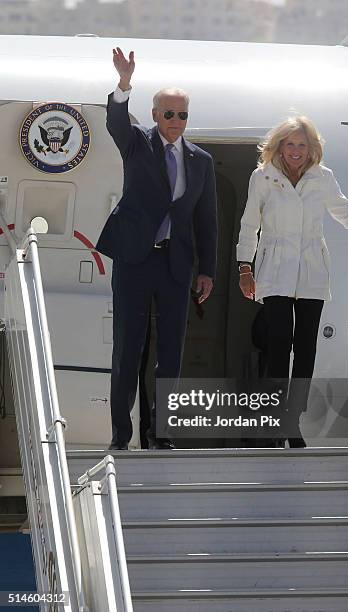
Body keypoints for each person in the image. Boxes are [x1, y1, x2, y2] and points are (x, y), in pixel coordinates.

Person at [237, 116, 348, 448]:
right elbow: (249, 223)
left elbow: (345, 213)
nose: (296, 151)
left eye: (302, 145)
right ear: (279, 146)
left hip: (312, 270)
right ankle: (273, 423)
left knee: (306, 348)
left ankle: (292, 421)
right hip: (276, 270)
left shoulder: (322, 178)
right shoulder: (262, 177)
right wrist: (245, 268)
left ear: (311, 148)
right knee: (279, 344)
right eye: (290, 144)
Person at [97, 48, 217, 450]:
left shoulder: (201, 160)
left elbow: (206, 220)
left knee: (172, 354)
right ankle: (121, 436)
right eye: (169, 114)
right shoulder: (136, 144)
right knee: (127, 348)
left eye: (183, 115)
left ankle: (163, 434)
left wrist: (208, 270)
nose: (176, 121)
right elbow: (115, 122)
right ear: (154, 115)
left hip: (175, 264)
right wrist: (124, 83)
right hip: (135, 259)